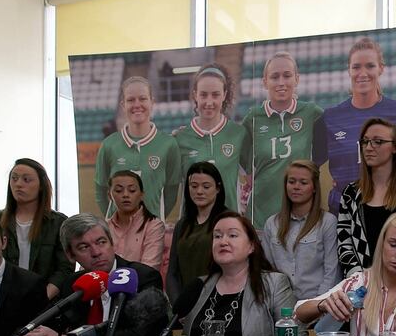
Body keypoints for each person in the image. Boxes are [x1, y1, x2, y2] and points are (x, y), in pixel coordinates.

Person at [314, 37, 396, 212]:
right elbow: (310, 164)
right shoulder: (330, 118)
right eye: (356, 67)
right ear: (349, 70)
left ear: (381, 68)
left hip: (389, 210)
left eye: (370, 66)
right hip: (343, 212)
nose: (363, 73)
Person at [15, 214, 166, 336]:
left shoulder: (142, 277)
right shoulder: (72, 284)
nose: (96, 252)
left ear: (111, 243)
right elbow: (39, 323)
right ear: (70, 255)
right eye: (84, 247)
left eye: (101, 242)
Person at [175, 212, 301, 336]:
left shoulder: (274, 284)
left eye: (232, 235)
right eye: (217, 236)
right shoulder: (200, 286)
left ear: (251, 246)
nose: (223, 242)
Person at [337, 118, 396, 276]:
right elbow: (344, 242)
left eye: (377, 141)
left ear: (394, 147)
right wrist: (360, 278)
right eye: (365, 142)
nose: (368, 147)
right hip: (359, 287)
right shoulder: (350, 193)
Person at [242, 52, 323, 228]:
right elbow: (234, 145)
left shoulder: (311, 113)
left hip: (300, 216)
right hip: (260, 217)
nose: (281, 82)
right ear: (265, 82)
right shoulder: (253, 118)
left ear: (297, 79)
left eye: (287, 76)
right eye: (274, 77)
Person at [95, 76, 182, 219]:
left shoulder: (168, 144)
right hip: (118, 235)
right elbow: (100, 191)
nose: (137, 104)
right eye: (131, 100)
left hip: (152, 234)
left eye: (142, 99)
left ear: (152, 102)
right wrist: (114, 222)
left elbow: (171, 193)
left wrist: (153, 222)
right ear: (123, 105)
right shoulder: (109, 145)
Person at [0, 158, 74, 299]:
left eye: (26, 180)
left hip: (45, 299)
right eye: (14, 179)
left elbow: (65, 268)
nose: (18, 184)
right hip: (3, 297)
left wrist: (44, 296)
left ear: (41, 185)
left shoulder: (58, 222)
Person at [174, 64, 250, 212]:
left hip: (228, 228)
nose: (209, 102)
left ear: (224, 94)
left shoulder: (239, 134)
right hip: (193, 229)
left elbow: (253, 177)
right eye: (203, 95)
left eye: (215, 95)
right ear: (195, 95)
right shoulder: (180, 139)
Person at [261, 160, 340, 300]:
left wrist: (316, 308)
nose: (296, 187)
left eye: (303, 183)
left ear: (314, 187)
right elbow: (267, 272)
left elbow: (331, 273)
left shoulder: (327, 222)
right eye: (291, 182)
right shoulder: (272, 224)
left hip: (318, 306)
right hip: (281, 308)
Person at [166, 162, 228, 303]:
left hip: (218, 303)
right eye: (194, 186)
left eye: (206, 187)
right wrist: (179, 305)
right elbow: (172, 273)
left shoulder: (228, 220)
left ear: (218, 188)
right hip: (185, 307)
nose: (199, 191)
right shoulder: (182, 224)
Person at [106, 170, 166, 270]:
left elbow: (149, 269)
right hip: (106, 284)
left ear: (142, 195)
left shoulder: (153, 225)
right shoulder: (104, 228)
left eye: (132, 190)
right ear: (110, 196)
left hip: (141, 284)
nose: (125, 195)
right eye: (118, 191)